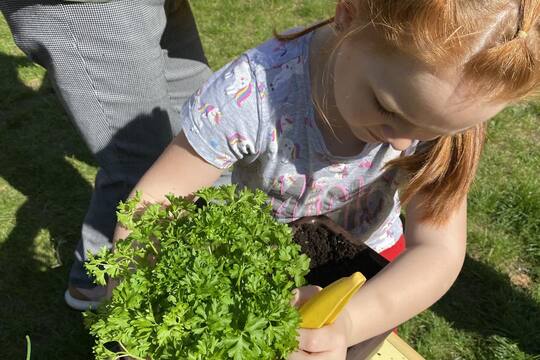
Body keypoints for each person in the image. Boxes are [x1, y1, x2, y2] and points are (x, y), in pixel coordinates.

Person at [109, 0, 539, 358]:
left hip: (372, 271)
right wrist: (138, 293)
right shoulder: (254, 94)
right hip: (261, 265)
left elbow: (438, 250)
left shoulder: (437, 106)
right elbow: (157, 198)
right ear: (348, 14)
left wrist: (349, 323)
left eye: (434, 131)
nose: (405, 144)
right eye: (387, 108)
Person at [0, 0, 214, 310]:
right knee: (144, 165)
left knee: (203, 130)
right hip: (89, 7)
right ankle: (95, 280)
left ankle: (193, 252)